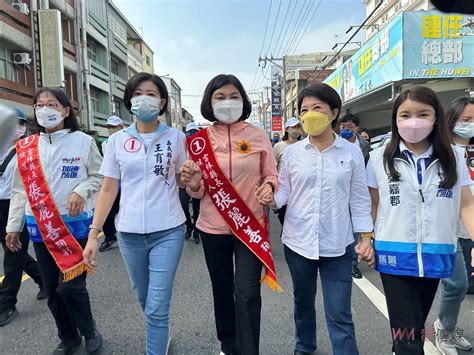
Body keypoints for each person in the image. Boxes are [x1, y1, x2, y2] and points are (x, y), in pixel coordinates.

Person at [256, 83, 374, 355]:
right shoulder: (293, 153)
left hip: (338, 245)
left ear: (333, 113)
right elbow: (284, 190)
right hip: (298, 243)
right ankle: (304, 348)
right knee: (303, 304)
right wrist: (271, 197)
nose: (309, 115)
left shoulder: (351, 151)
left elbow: (358, 198)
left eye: (316, 109)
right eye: (304, 110)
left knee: (339, 313)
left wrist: (366, 237)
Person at [82, 72, 187, 355]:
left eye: (152, 94)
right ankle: (160, 333)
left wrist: (191, 178)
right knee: (144, 297)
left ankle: (156, 347)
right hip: (128, 233)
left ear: (162, 102)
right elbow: (107, 189)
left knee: (156, 304)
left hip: (168, 229)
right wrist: (94, 234)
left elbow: (183, 179)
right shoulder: (116, 142)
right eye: (138, 93)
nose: (145, 98)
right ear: (129, 100)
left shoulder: (176, 138)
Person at [365, 86, 474, 355]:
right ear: (396, 119)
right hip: (394, 255)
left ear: (436, 117)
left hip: (436, 253)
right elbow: (372, 203)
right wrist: (366, 239)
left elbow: (467, 204)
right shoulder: (380, 158)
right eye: (405, 115)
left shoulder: (452, 156)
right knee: (410, 341)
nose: (413, 121)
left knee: (413, 327)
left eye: (423, 113)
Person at [180, 74, 279, 355]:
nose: (227, 102)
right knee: (222, 290)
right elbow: (196, 191)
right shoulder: (198, 142)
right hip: (212, 227)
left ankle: (248, 350)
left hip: (249, 226)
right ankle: (229, 345)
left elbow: (270, 173)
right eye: (219, 97)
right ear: (209, 104)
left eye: (233, 96)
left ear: (243, 101)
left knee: (247, 292)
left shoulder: (257, 135)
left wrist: (269, 187)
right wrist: (193, 182)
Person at [6, 88, 103, 354]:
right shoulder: (26, 147)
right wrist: (13, 226)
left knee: (71, 287)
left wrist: (80, 190)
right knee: (51, 289)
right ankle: (68, 336)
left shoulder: (83, 141)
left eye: (51, 104)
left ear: (65, 110)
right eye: (39, 105)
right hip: (40, 229)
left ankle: (90, 330)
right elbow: (19, 190)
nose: (45, 109)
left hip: (75, 228)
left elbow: (99, 177)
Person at [433, 96, 474, 355]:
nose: (470, 125)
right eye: (466, 120)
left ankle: (449, 327)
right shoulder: (442, 151)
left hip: (470, 228)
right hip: (448, 229)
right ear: (452, 121)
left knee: (462, 286)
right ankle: (444, 330)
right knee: (456, 284)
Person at [0, 109, 45, 327]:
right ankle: (43, 279)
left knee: (13, 254)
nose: (15, 127)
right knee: (13, 251)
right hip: (0, 206)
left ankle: (6, 304)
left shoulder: (28, 150)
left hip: (19, 206)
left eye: (19, 123)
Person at [339, 113, 372, 279]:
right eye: (343, 127)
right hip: (343, 193)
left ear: (356, 128)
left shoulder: (365, 146)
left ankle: (352, 263)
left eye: (349, 127)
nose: (345, 130)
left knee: (355, 229)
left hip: (361, 190)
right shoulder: (335, 143)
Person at [98, 116, 123, 252]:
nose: (111, 130)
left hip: (127, 184)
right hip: (112, 184)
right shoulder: (105, 144)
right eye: (109, 127)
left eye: (114, 127)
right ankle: (109, 237)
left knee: (124, 211)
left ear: (121, 127)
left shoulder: (129, 141)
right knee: (107, 213)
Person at [272, 117, 302, 225]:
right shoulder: (278, 147)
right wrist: (274, 194)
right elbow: (273, 170)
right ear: (287, 129)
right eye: (294, 127)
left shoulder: (305, 146)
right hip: (284, 188)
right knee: (285, 221)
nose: (296, 130)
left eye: (298, 127)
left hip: (300, 189)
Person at [180, 122, 201, 244]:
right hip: (183, 181)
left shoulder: (201, 145)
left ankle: (196, 231)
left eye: (195, 132)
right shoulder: (180, 145)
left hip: (197, 181)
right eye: (189, 133)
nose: (192, 135)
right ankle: (189, 225)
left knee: (197, 209)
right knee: (183, 207)